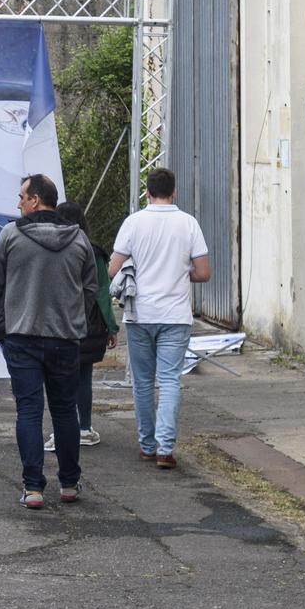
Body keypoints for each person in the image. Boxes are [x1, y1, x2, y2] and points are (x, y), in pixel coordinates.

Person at [0, 173, 99, 509]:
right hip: (65, 339)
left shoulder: (10, 235)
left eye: (22, 196)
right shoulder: (78, 239)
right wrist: (75, 318)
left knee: (29, 412)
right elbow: (91, 289)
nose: (18, 203)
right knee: (66, 412)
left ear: (36, 199)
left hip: (22, 336)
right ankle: (68, 484)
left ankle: (33, 487)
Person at [108, 167, 209, 470]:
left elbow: (113, 269)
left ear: (148, 193)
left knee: (142, 383)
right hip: (175, 315)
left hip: (139, 314)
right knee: (169, 380)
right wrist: (182, 271)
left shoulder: (133, 223)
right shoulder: (188, 224)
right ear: (174, 191)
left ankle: (146, 445)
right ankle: (166, 449)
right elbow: (203, 272)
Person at [57, 200, 118, 448]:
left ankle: (63, 427)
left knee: (59, 378)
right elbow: (103, 292)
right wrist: (111, 327)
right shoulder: (95, 252)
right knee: (84, 377)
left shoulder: (54, 249)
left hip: (59, 322)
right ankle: (84, 427)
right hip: (89, 324)